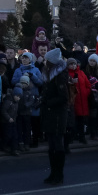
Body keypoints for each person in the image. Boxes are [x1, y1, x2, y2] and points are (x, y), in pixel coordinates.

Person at [41, 48, 70, 185]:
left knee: (57, 144)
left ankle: (59, 174)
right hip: (50, 113)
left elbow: (64, 98)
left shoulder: (59, 76)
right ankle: (53, 173)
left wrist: (48, 102)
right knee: (51, 145)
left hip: (58, 114)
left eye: (47, 60)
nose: (45, 62)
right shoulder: (49, 75)